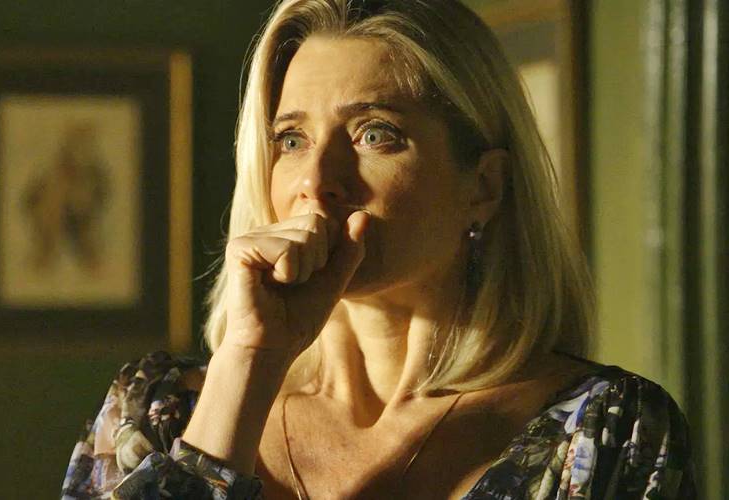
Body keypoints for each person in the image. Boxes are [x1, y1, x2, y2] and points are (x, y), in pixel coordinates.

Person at [61, 0, 695, 498]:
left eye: (374, 134)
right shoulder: (156, 412)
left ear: (483, 186)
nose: (318, 180)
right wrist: (248, 362)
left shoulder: (606, 428)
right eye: (292, 139)